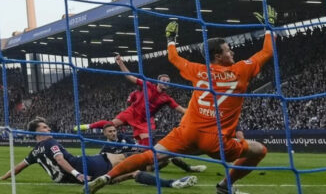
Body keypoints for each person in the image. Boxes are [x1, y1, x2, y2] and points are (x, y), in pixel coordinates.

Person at [86, 5, 277, 194]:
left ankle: (107, 177)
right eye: (228, 50)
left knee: (148, 155)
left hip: (188, 131)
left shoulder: (197, 70)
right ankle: (225, 186)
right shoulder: (241, 70)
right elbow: (267, 52)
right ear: (218, 56)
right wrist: (269, 27)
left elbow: (173, 57)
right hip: (216, 139)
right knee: (259, 150)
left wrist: (170, 39)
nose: (232, 53)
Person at [0, 117, 197, 189]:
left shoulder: (35, 151)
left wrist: (3, 177)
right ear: (36, 132)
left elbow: (19, 167)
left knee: (130, 174)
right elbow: (60, 159)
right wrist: (77, 173)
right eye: (44, 127)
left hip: (70, 179)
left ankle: (171, 183)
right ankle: (173, 152)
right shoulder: (51, 142)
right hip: (83, 166)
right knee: (133, 160)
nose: (48, 128)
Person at [75, 59, 186, 147]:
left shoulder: (167, 99)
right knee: (111, 124)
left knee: (147, 144)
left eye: (168, 82)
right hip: (132, 112)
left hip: (143, 120)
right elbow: (129, 76)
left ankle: (138, 154)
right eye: (163, 81)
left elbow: (182, 110)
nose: (166, 83)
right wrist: (120, 63)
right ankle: (87, 126)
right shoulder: (147, 85)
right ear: (158, 81)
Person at [100, 123, 207, 173]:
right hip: (138, 167)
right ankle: (190, 169)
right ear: (104, 133)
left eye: (114, 131)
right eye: (110, 132)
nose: (113, 133)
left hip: (144, 158)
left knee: (169, 153)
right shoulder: (105, 149)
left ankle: (189, 168)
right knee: (166, 158)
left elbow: (136, 147)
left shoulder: (123, 138)